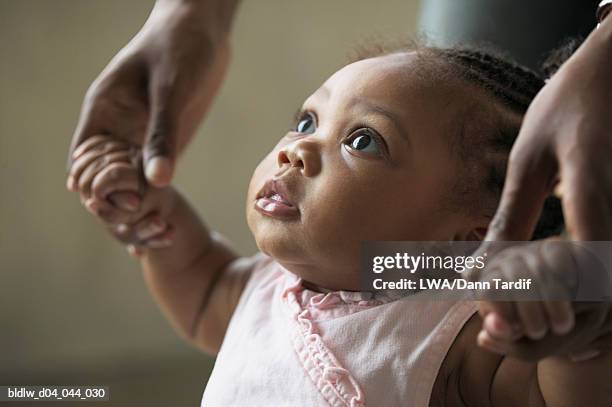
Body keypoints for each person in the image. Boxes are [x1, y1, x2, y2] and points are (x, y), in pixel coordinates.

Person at [68, 39, 612, 405]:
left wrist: (577, 334)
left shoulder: (454, 328)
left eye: (362, 141)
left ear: (472, 233)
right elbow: (201, 283)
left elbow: (559, 390)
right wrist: (151, 219)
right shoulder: (261, 287)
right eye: (307, 120)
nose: (298, 148)